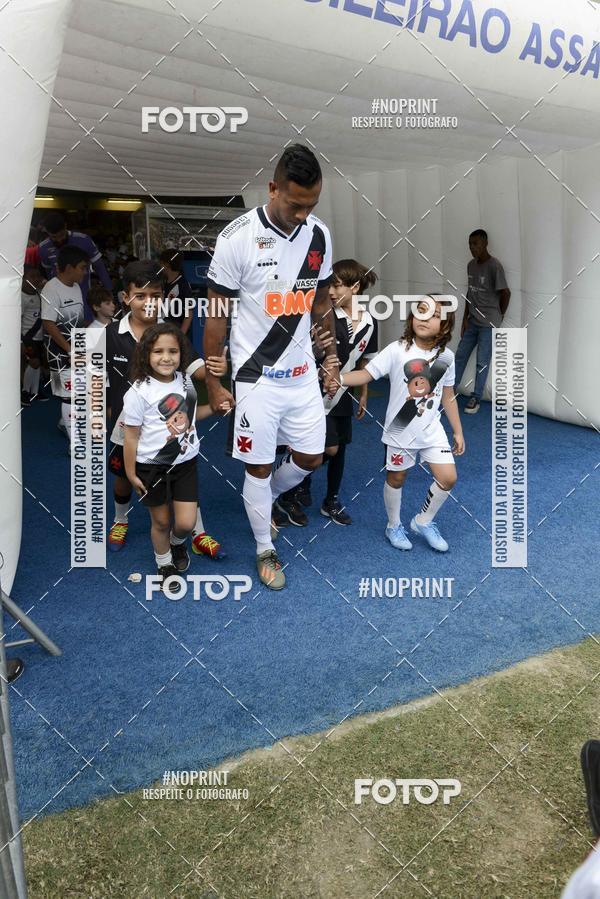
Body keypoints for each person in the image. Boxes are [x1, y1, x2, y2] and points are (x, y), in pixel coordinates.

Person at [204, 143, 339, 590]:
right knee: (257, 468)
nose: (303, 214)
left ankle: (269, 499)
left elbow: (320, 303)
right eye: (295, 204)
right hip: (255, 376)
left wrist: (331, 357)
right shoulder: (236, 238)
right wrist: (213, 383)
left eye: (311, 205)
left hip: (301, 376)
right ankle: (265, 546)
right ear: (272, 188)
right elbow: (217, 314)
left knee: (310, 457)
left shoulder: (318, 234)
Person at [105, 260, 226, 560]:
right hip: (126, 426)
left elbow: (197, 368)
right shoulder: (108, 335)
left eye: (156, 295)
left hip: (169, 426)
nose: (149, 302)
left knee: (182, 472)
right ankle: (120, 519)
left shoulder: (171, 335)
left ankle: (196, 532)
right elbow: (93, 379)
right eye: (141, 295)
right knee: (123, 477)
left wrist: (216, 373)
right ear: (125, 298)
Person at [341, 296, 464, 552]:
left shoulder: (446, 357)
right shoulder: (398, 349)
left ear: (444, 326)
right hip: (400, 428)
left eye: (432, 315)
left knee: (448, 478)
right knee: (396, 479)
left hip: (432, 430)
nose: (424, 318)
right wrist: (339, 378)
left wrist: (458, 430)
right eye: (420, 311)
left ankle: (423, 521)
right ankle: (393, 525)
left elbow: (448, 395)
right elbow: (367, 373)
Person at [123, 324, 228, 589]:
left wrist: (215, 409)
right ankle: (164, 562)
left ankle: (177, 543)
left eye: (173, 351)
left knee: (184, 523)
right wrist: (131, 472)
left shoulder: (185, 381)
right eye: (158, 351)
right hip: (151, 467)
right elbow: (131, 436)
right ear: (146, 354)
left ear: (182, 354)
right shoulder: (138, 392)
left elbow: (190, 419)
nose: (166, 357)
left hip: (185, 463)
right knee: (161, 521)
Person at [277, 259, 378, 527]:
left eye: (336, 286)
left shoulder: (370, 321)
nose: (330, 292)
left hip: (344, 394)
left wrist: (363, 392)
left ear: (355, 288)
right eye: (329, 286)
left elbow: (365, 361)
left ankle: (330, 499)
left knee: (338, 449)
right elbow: (306, 353)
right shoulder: (323, 315)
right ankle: (289, 490)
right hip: (313, 391)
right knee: (318, 447)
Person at [454, 229, 511, 414]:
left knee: (482, 361)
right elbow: (470, 293)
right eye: (470, 244)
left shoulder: (495, 266)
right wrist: (464, 319)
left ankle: (475, 398)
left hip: (488, 324)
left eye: (476, 244)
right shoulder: (471, 265)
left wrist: (498, 316)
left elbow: (506, 293)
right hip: (472, 322)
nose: (472, 248)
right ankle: (450, 391)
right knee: (460, 356)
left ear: (485, 244)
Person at [40, 246, 89, 451]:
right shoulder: (51, 288)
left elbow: (79, 319)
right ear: (69, 267)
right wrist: (69, 350)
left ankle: (65, 422)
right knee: (69, 395)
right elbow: (48, 323)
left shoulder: (76, 286)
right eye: (82, 268)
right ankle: (75, 443)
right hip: (59, 352)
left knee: (80, 392)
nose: (84, 272)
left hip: (76, 348)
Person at [39, 212, 112, 316]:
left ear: (65, 226)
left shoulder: (83, 240)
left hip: (84, 299)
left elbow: (100, 267)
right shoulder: (43, 248)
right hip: (59, 302)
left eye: (61, 235)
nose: (59, 240)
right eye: (54, 237)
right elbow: (49, 274)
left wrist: (109, 292)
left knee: (86, 330)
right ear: (47, 232)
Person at [21, 264, 50, 406]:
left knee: (37, 365)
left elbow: (47, 285)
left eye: (38, 276)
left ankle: (34, 392)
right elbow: (17, 320)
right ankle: (24, 392)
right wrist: (21, 342)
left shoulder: (39, 292)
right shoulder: (21, 297)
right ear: (23, 278)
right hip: (27, 336)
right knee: (34, 363)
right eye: (32, 276)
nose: (36, 279)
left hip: (39, 336)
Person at [159, 249, 193, 334]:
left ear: (166, 265)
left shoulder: (183, 285)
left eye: (161, 263)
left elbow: (189, 314)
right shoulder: (162, 282)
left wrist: (181, 336)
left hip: (173, 329)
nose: (160, 266)